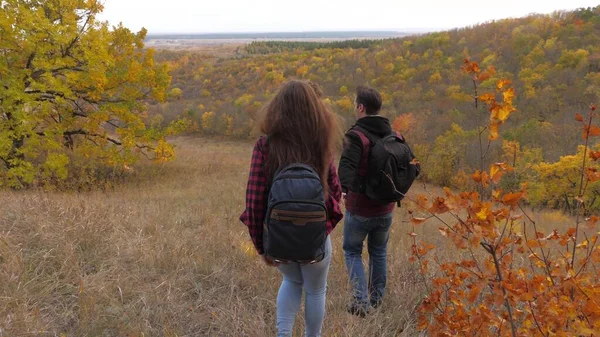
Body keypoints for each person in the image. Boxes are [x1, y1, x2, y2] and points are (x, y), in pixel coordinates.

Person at [240, 80, 343, 337]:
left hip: (278, 236)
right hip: (316, 237)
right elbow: (335, 193)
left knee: (291, 280)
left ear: (277, 109)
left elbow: (254, 201)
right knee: (316, 290)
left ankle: (283, 334)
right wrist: (324, 228)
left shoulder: (265, 146)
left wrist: (262, 246)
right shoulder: (321, 143)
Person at [339, 85, 397, 316]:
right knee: (379, 252)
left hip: (360, 208)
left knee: (352, 252)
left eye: (355, 104)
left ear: (361, 107)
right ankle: (377, 301)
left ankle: (360, 302)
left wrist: (341, 190)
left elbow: (347, 166)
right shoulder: (394, 134)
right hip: (386, 209)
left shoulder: (356, 136)